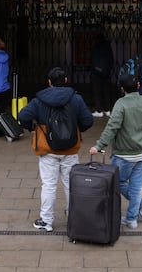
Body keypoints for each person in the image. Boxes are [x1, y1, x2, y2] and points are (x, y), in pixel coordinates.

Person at [18, 67, 94, 232]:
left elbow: (22, 116)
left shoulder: (39, 100)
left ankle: (46, 221)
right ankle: (74, 218)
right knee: (71, 185)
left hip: (48, 150)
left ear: (49, 82)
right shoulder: (76, 99)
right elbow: (88, 120)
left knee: (49, 185)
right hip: (71, 150)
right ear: (66, 81)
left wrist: (32, 128)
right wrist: (77, 129)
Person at [89, 73, 142, 229]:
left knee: (117, 182)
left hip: (124, 153)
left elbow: (112, 127)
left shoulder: (121, 104)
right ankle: (132, 218)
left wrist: (99, 146)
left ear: (122, 89)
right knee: (136, 186)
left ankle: (139, 206)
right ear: (138, 86)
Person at [90, 31, 114, 117]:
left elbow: (93, 59)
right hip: (106, 72)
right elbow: (111, 59)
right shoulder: (107, 46)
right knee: (106, 91)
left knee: (97, 91)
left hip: (97, 73)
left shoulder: (96, 46)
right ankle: (107, 110)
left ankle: (99, 110)